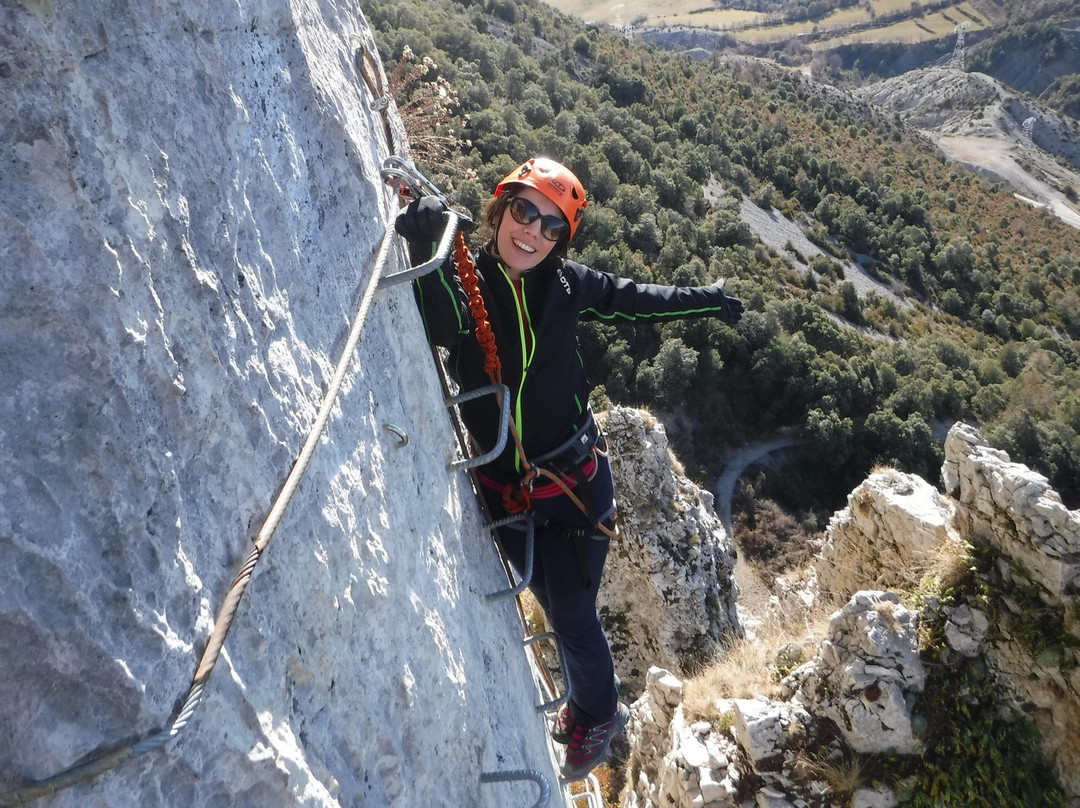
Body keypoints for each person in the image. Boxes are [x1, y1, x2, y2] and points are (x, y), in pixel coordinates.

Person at [395, 157, 743, 780]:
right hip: (507, 486)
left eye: (551, 226)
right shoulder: (469, 275)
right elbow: (443, 324)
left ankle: (595, 719)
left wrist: (707, 301)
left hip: (575, 484)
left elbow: (635, 300)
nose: (532, 232)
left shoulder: (567, 285)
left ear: (562, 240)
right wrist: (424, 237)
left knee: (573, 614)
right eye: (524, 211)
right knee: (548, 599)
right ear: (500, 210)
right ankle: (590, 713)